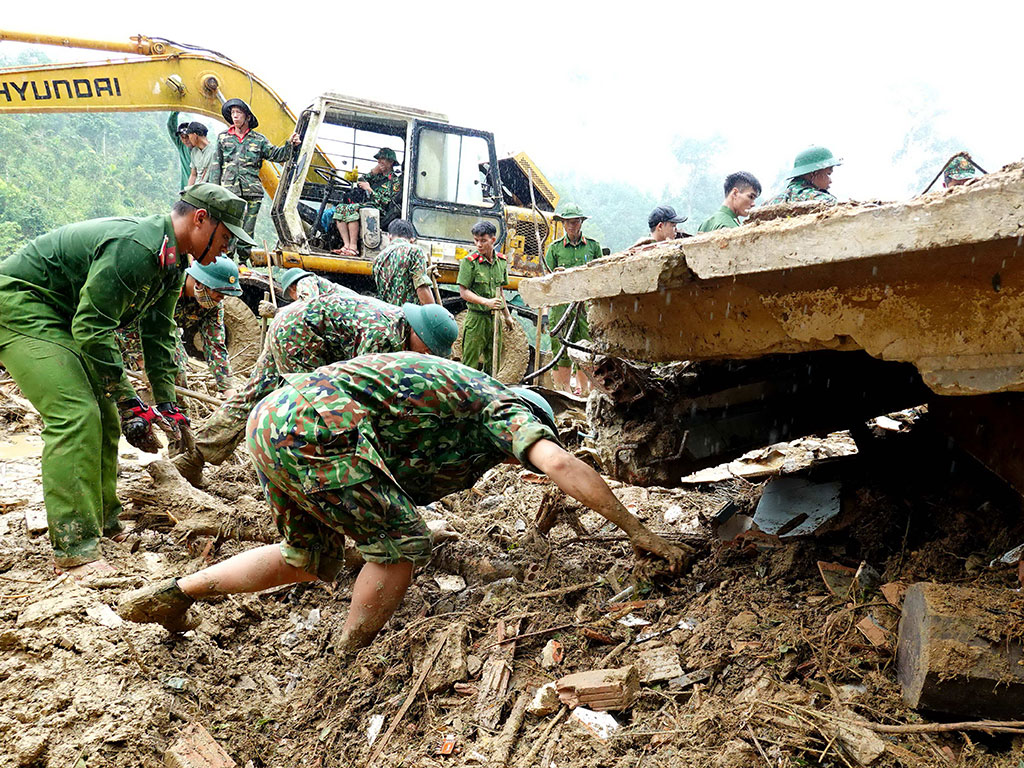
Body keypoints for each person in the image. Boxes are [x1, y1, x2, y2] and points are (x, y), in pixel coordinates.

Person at [119, 352, 693, 648]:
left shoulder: (457, 404)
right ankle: (351, 655)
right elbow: (562, 464)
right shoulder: (502, 407)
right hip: (316, 423)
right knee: (402, 543)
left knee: (305, 558)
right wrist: (640, 531)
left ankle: (175, 594)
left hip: (273, 421)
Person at [0, 184, 255, 576]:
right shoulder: (136, 248)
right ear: (200, 220)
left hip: (63, 317)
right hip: (22, 306)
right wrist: (128, 398)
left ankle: (104, 523)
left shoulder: (172, 263)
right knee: (75, 414)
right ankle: (75, 547)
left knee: (104, 414)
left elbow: (158, 335)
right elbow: (91, 329)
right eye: (225, 238)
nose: (226, 250)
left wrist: (168, 405)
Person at [171, 294, 458, 485]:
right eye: (430, 349)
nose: (429, 357)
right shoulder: (381, 336)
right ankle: (294, 474)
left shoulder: (400, 330)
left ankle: (193, 457)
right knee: (306, 408)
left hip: (297, 326)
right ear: (418, 333)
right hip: (301, 333)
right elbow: (361, 395)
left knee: (254, 395)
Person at [116, 256, 242, 398]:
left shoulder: (212, 306)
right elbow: (126, 320)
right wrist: (143, 361)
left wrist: (228, 390)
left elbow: (215, 346)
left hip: (163, 330)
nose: (221, 299)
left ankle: (175, 414)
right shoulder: (165, 283)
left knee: (177, 371)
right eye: (218, 294)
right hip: (123, 329)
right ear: (200, 282)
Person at [210, 98, 301, 263]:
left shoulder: (259, 140)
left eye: (239, 113)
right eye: (232, 113)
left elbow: (277, 155)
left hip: (252, 192)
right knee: (228, 226)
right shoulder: (223, 137)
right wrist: (214, 191)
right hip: (229, 191)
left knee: (247, 228)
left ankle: (243, 260)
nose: (235, 116)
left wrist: (291, 145)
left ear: (248, 117)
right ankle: (227, 259)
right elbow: (216, 165)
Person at [544, 203, 602, 395]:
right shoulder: (554, 249)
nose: (571, 225)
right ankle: (564, 391)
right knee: (561, 349)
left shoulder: (593, 247)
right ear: (562, 224)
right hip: (561, 307)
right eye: (568, 222)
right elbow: (546, 281)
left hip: (586, 307)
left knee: (586, 348)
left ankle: (584, 390)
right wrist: (557, 275)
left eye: (575, 221)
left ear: (581, 223)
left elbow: (600, 273)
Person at [458, 220, 512, 376]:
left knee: (493, 363)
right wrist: (485, 302)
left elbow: (500, 292)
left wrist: (507, 316)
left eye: (483, 240)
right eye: (476, 240)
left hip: (495, 320)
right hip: (476, 320)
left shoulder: (501, 262)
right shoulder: (470, 263)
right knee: (470, 364)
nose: (479, 244)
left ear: (493, 240)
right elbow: (464, 292)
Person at [331, 147, 403, 257]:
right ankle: (346, 245)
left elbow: (387, 202)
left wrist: (370, 190)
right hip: (369, 206)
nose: (379, 162)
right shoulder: (376, 177)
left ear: (391, 162)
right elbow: (361, 180)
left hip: (380, 210)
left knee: (352, 209)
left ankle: (353, 247)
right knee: (340, 208)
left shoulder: (394, 181)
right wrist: (373, 172)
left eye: (382, 159)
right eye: (378, 159)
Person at [372, 219, 435, 306]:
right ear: (412, 239)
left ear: (389, 237)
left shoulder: (378, 259)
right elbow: (421, 288)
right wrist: (434, 316)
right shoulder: (414, 251)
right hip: (409, 315)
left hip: (389, 315)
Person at [766, 147, 841, 205]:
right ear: (814, 173)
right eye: (828, 174)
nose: (830, 181)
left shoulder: (769, 202)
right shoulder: (823, 200)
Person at [167, 113, 192, 189]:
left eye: (187, 136)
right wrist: (175, 111)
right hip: (186, 190)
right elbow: (170, 125)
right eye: (182, 137)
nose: (185, 140)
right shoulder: (182, 146)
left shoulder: (201, 150)